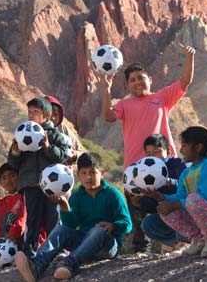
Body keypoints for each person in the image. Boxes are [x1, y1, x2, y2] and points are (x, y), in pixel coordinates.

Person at [14, 152, 131, 281]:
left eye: (93, 173)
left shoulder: (113, 194)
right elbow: (70, 225)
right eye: (84, 173)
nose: (88, 177)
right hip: (84, 243)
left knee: (98, 231)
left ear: (102, 173)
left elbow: (127, 223)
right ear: (78, 175)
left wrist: (113, 225)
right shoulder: (77, 196)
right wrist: (65, 208)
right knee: (60, 230)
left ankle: (69, 264)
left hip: (107, 246)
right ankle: (36, 267)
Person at [101, 44, 195, 169]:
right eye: (132, 80)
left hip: (165, 162)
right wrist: (107, 89)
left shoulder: (163, 97)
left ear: (150, 80)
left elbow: (185, 81)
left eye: (141, 78)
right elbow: (109, 116)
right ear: (128, 85)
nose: (137, 82)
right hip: (135, 165)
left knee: (172, 188)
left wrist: (190, 57)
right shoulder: (124, 104)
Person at [145, 126, 207, 257]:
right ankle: (198, 240)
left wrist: (175, 204)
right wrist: (161, 196)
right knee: (164, 209)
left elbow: (204, 197)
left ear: (198, 147)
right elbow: (180, 196)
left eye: (185, 146)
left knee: (192, 199)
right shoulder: (186, 173)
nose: (181, 150)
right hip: (199, 221)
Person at [8, 97, 68, 256]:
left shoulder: (54, 133)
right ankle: (29, 251)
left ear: (47, 115)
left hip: (51, 186)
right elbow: (12, 163)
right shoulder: (21, 133)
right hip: (30, 184)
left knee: (52, 217)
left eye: (35, 112)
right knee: (32, 219)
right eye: (29, 112)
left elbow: (63, 156)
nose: (31, 115)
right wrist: (16, 152)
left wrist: (48, 148)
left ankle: (57, 250)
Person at [131, 134, 188, 252]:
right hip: (165, 215)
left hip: (182, 211)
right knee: (147, 224)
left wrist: (168, 182)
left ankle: (187, 240)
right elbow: (153, 205)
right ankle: (175, 242)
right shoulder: (144, 171)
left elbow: (186, 187)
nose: (153, 156)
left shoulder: (178, 164)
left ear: (168, 150)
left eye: (156, 152)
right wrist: (139, 202)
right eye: (149, 153)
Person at [44, 95, 81, 166]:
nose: (53, 118)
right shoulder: (35, 128)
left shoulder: (64, 130)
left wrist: (75, 155)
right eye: (50, 115)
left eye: (56, 114)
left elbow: (80, 152)